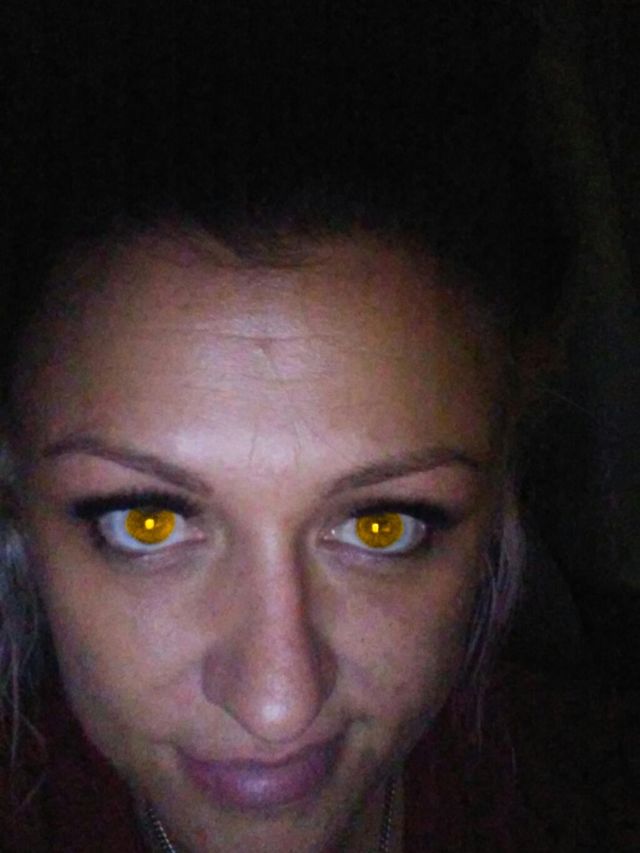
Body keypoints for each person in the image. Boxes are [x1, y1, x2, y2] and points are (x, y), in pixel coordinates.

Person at [0, 11, 570, 851]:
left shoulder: (586, 791)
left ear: (501, 498)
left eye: (383, 526)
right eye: (144, 522)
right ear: (13, 495)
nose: (277, 704)